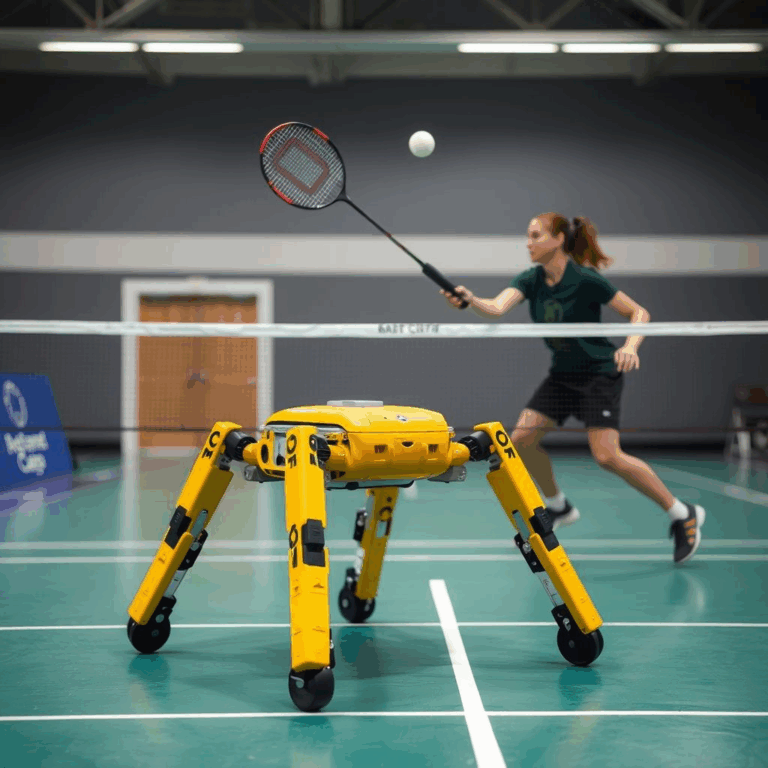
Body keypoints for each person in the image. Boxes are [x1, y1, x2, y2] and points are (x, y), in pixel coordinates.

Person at [441, 212, 705, 564]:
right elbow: (496, 307)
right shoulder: (531, 279)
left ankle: (681, 512)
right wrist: (470, 299)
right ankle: (559, 506)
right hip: (562, 375)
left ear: (558, 240)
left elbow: (639, 313)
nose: (528, 242)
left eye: (536, 235)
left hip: (598, 373)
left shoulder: (585, 280)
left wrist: (630, 347)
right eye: (528, 236)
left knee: (607, 456)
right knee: (520, 440)